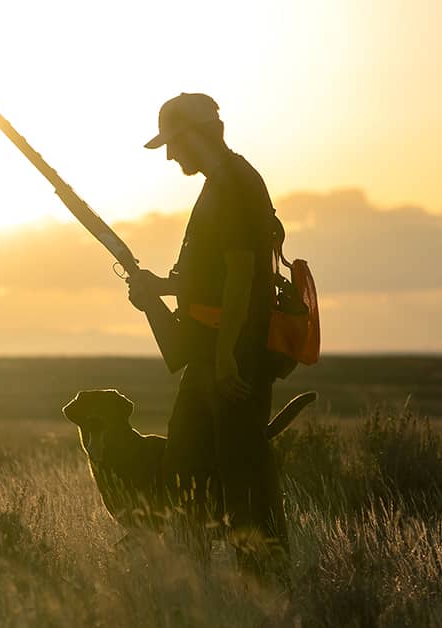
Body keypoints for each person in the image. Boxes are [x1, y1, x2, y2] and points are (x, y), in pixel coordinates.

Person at [127, 93, 288, 581]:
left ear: (195, 134)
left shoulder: (236, 184)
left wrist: (225, 361)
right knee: (185, 467)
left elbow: (242, 276)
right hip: (211, 358)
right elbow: (212, 276)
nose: (172, 156)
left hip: (233, 361)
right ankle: (194, 586)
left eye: (174, 145)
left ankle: (268, 592)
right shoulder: (220, 184)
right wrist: (159, 287)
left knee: (244, 480)